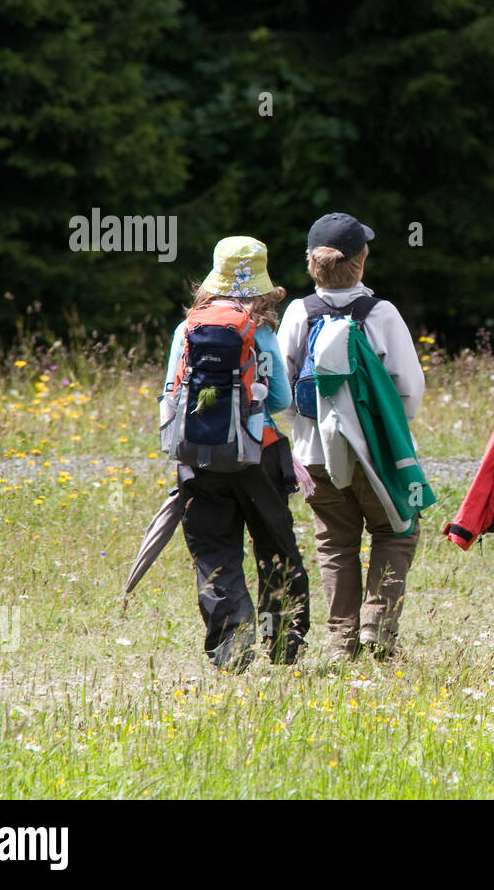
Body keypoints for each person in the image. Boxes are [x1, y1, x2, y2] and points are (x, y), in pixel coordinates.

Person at [277, 213, 425, 662]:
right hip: (377, 453)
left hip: (316, 454)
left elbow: (282, 390)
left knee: (335, 542)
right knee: (395, 531)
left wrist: (305, 425)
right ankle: (377, 631)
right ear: (362, 261)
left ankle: (342, 641)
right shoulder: (381, 313)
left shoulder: (298, 313)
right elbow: (409, 389)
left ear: (310, 264)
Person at [162, 236, 310, 671]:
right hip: (257, 454)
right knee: (275, 545)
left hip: (198, 456)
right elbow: (280, 398)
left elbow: (172, 394)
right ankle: (283, 641)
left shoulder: (187, 328)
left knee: (214, 549)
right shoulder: (259, 331)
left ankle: (231, 646)